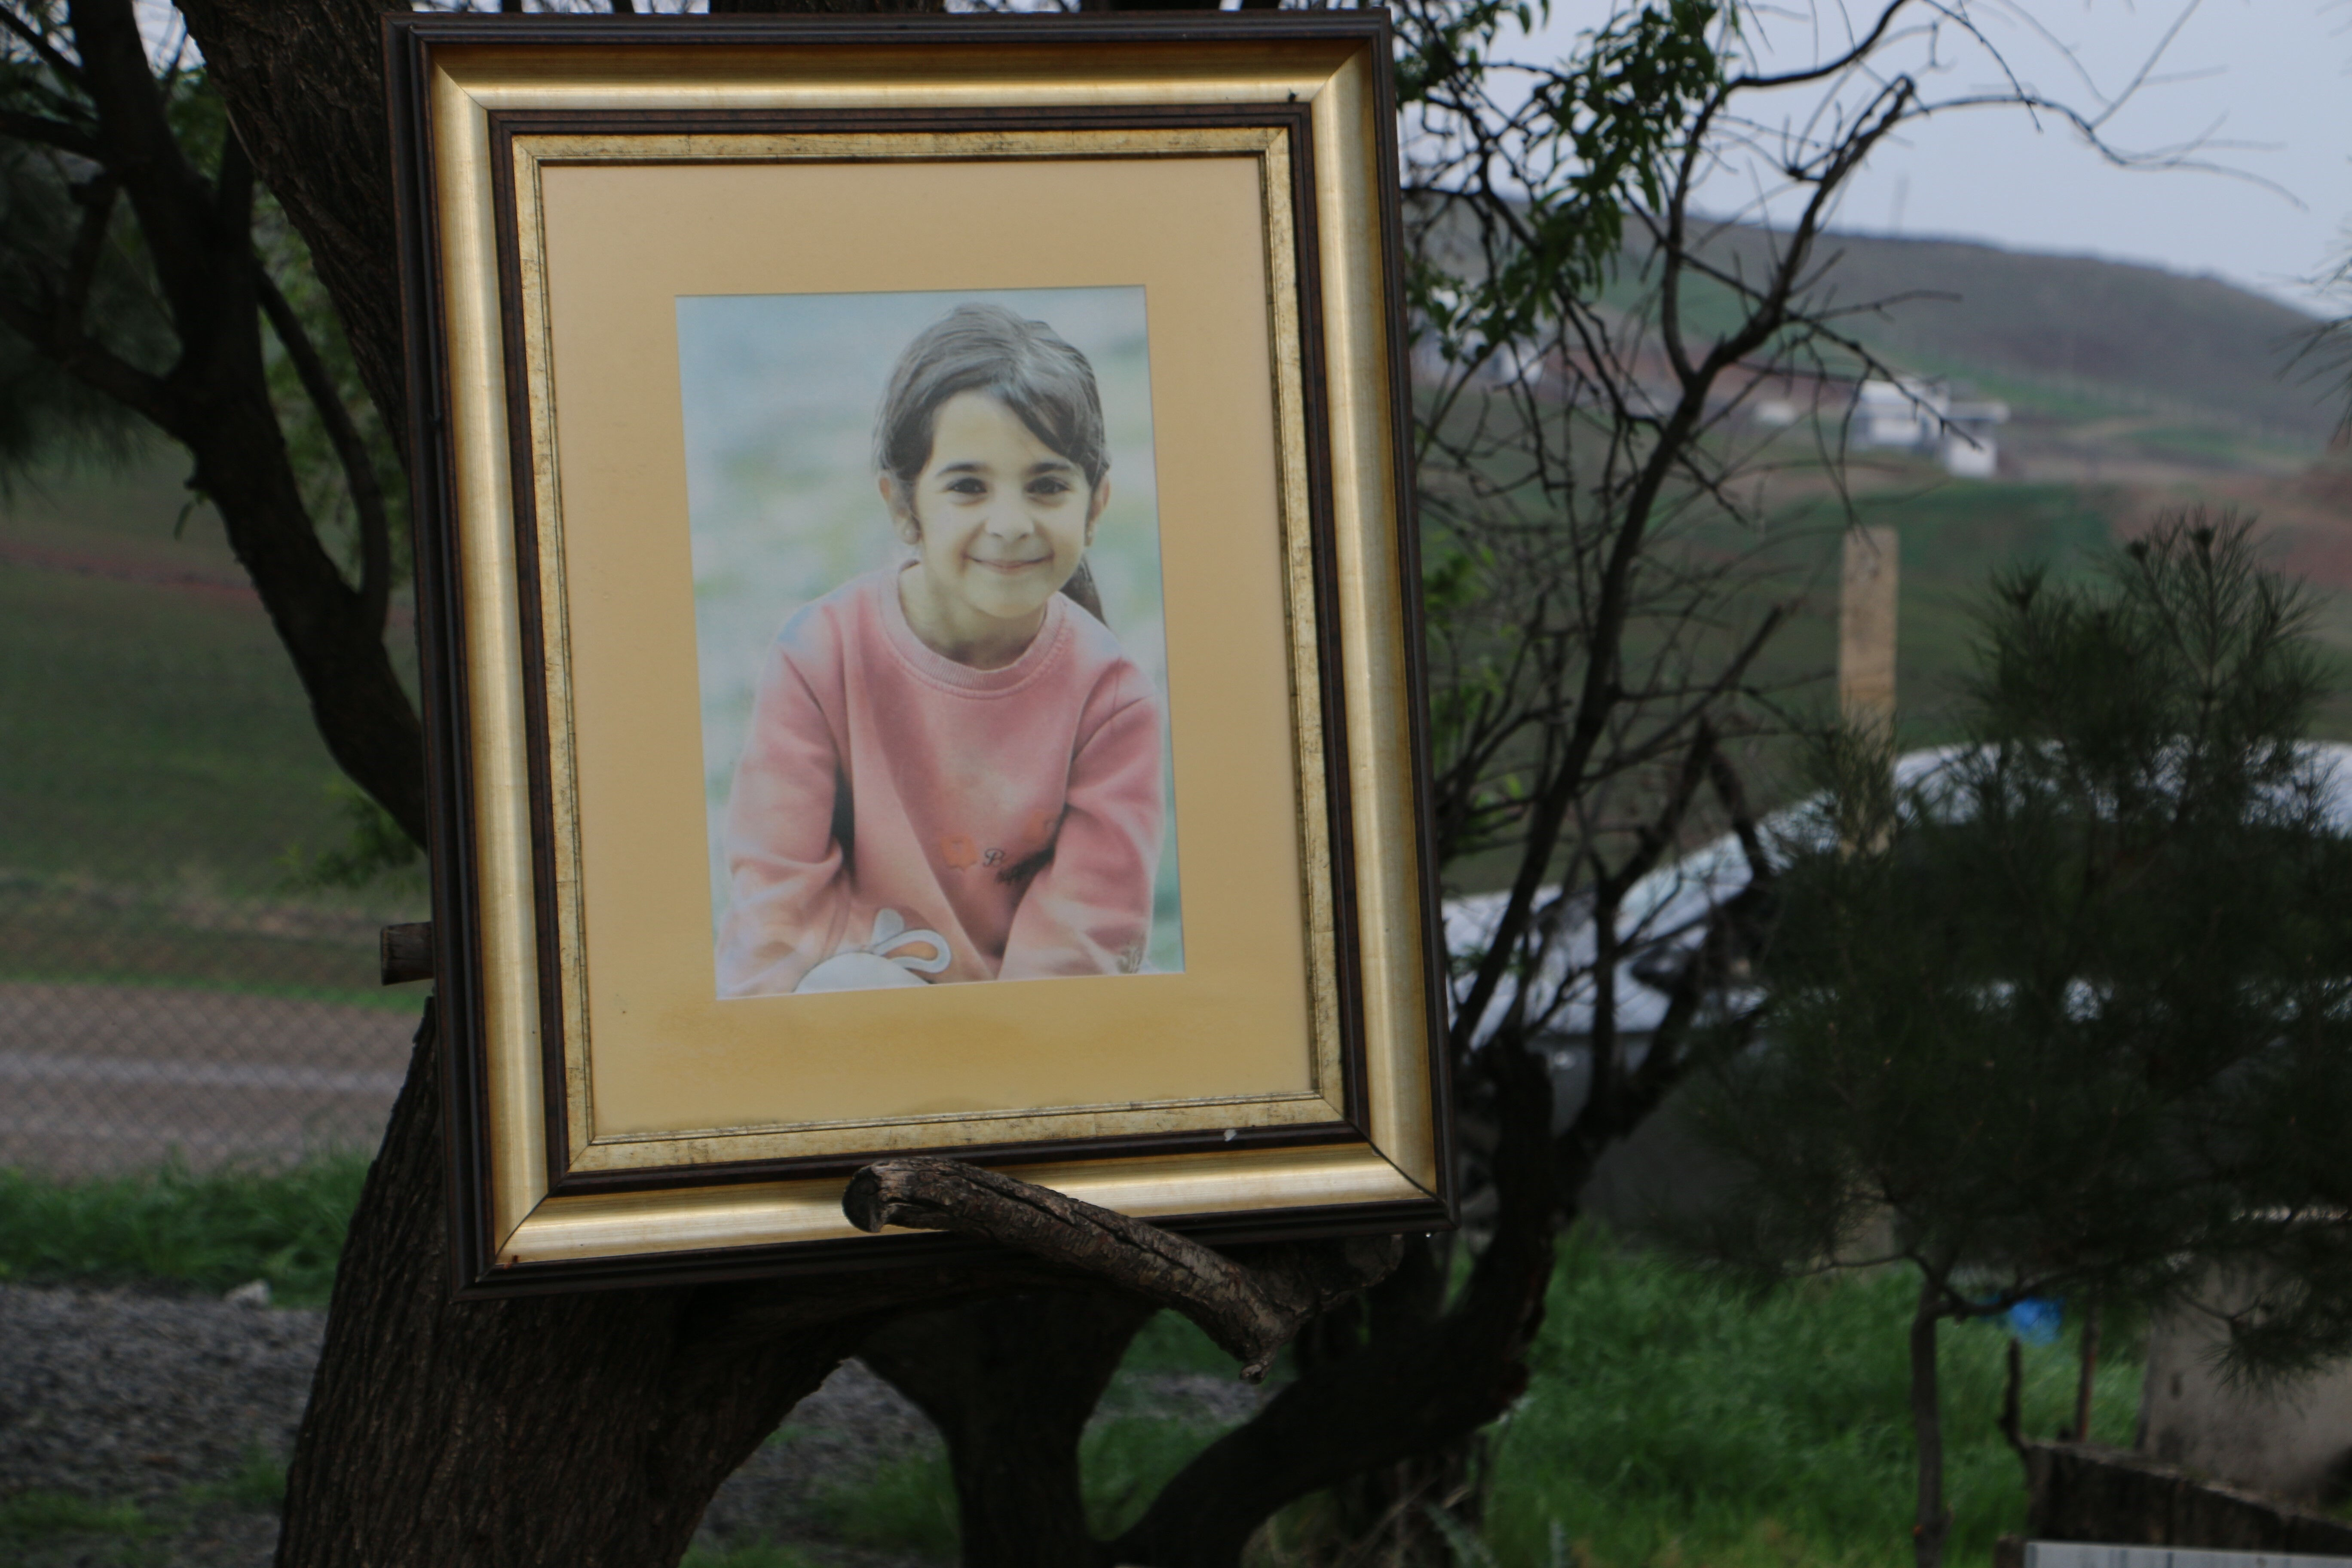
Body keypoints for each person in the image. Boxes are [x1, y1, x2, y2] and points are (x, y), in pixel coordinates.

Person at [716, 303, 1165, 997]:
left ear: (1096, 504)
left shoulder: (1114, 701)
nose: (1011, 524)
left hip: (1024, 1047)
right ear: (903, 506)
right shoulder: (818, 656)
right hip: (851, 1027)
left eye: (1047, 485)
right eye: (968, 487)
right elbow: (776, 916)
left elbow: (1080, 949)